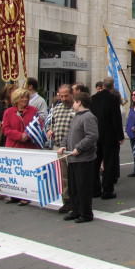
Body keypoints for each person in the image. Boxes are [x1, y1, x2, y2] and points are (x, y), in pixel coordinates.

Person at [58, 92, 99, 223]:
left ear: (79, 102)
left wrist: (79, 148)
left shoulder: (88, 117)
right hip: (72, 158)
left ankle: (86, 214)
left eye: (75, 101)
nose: (73, 104)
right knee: (73, 187)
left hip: (84, 159)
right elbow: (69, 133)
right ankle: (75, 210)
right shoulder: (76, 116)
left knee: (83, 188)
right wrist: (63, 145)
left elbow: (92, 136)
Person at [2, 88, 42, 206]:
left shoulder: (34, 111)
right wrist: (20, 136)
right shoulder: (8, 112)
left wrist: (28, 136)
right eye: (22, 97)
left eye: (26, 97)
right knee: (13, 173)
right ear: (15, 99)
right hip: (13, 146)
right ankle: (14, 195)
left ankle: (26, 196)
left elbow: (39, 126)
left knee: (26, 173)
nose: (24, 99)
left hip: (28, 146)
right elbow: (6, 129)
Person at [90, 77, 125, 199]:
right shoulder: (113, 99)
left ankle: (95, 189)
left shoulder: (93, 98)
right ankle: (107, 190)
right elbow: (116, 118)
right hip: (109, 136)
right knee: (109, 163)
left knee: (95, 162)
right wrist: (120, 136)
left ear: (103, 85)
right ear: (112, 86)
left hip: (95, 134)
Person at [46, 84, 75, 214]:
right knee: (63, 177)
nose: (63, 98)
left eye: (66, 96)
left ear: (72, 94)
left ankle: (75, 200)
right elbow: (51, 123)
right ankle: (66, 201)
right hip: (58, 147)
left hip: (72, 148)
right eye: (61, 96)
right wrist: (50, 130)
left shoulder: (76, 108)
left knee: (73, 176)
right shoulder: (56, 108)